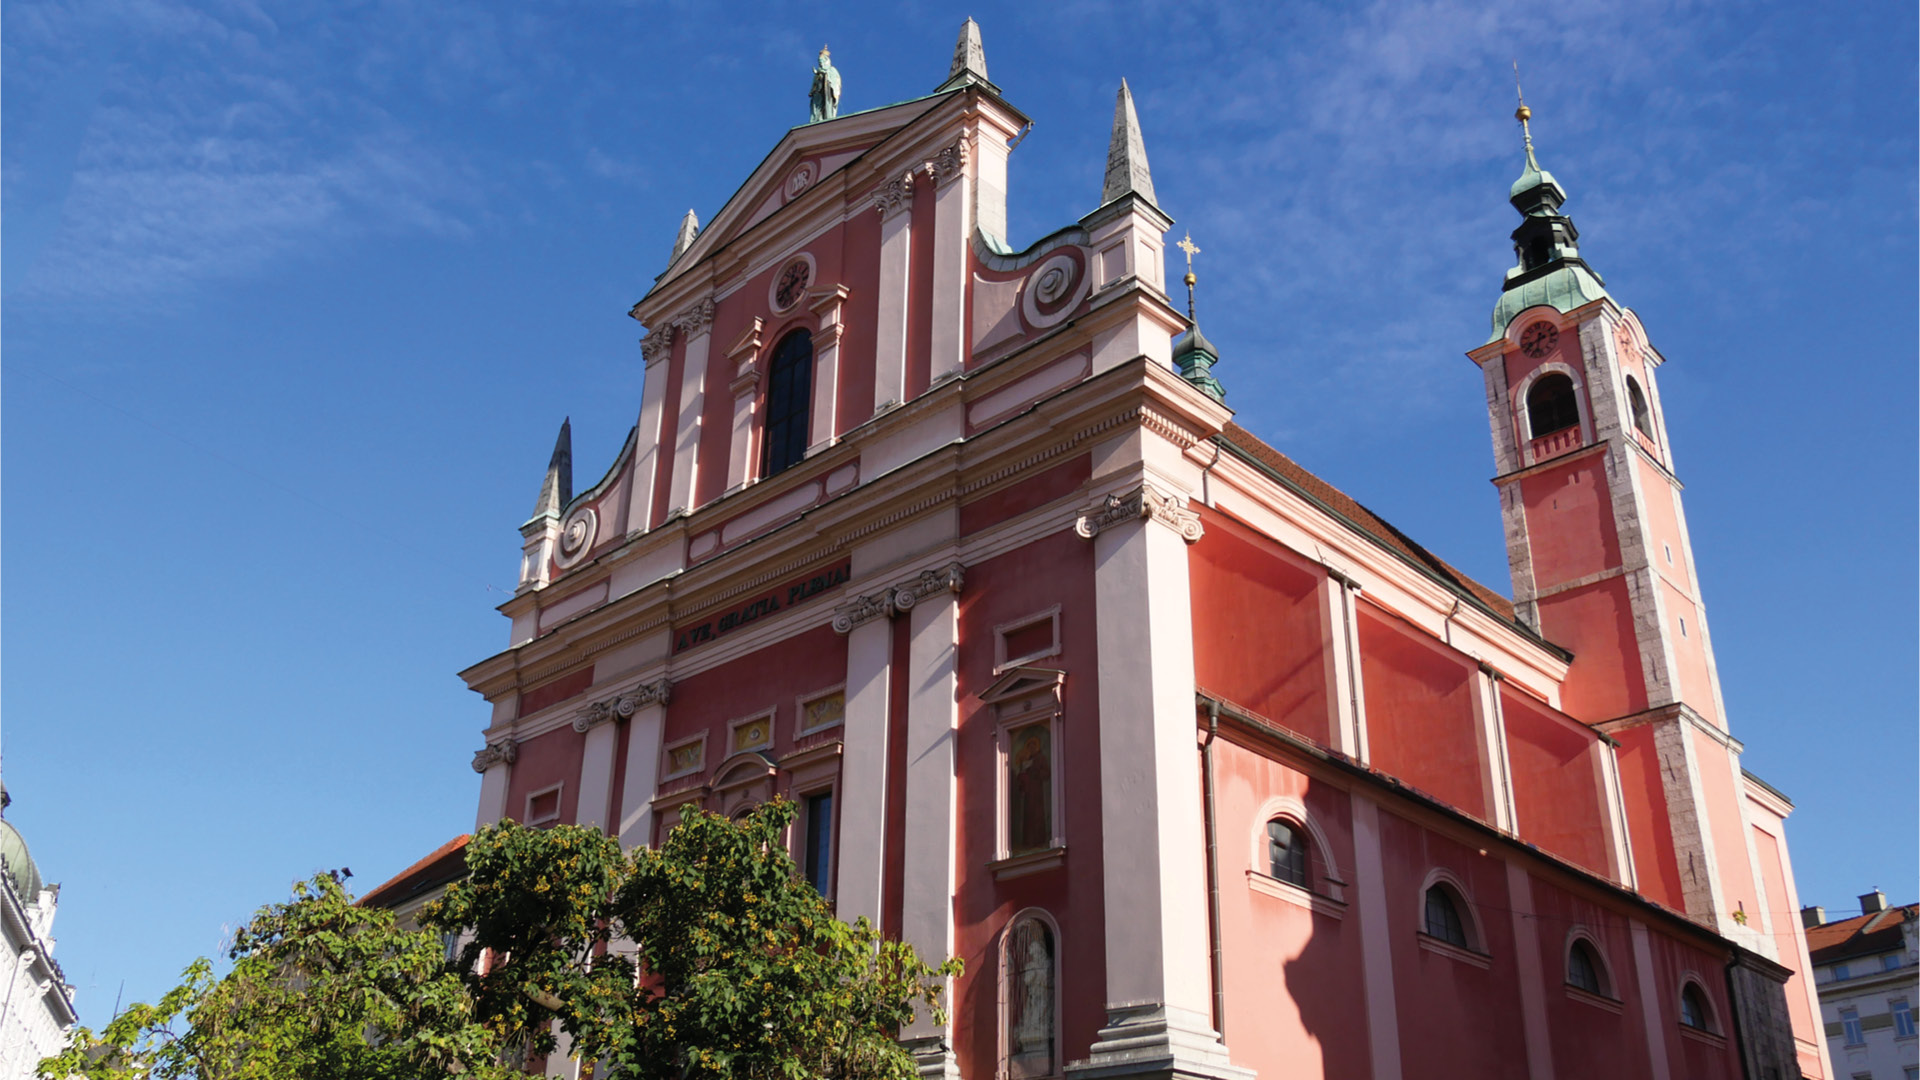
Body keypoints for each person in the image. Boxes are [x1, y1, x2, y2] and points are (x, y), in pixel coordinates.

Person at [809, 46, 840, 123]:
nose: (820, 63)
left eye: (821, 61)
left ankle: (827, 118)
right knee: (817, 108)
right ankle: (817, 119)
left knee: (827, 106)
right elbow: (814, 86)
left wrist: (824, 73)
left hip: (827, 93)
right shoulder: (817, 74)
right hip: (818, 95)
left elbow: (834, 81)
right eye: (819, 62)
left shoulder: (832, 69)